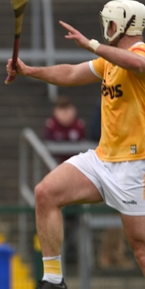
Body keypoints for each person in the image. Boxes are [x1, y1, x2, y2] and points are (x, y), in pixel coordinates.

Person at [7, 0, 145, 289]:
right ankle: (54, 279)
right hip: (103, 159)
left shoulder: (142, 54)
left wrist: (91, 44)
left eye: (108, 23)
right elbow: (72, 74)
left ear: (122, 24)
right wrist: (29, 70)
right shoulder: (108, 60)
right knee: (46, 193)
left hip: (138, 167)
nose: (104, 28)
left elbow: (139, 64)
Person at [43, 95, 86, 264]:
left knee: (74, 218)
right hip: (57, 180)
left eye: (68, 109)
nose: (65, 114)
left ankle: (72, 249)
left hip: (76, 181)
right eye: (62, 109)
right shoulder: (51, 126)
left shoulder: (79, 126)